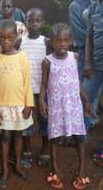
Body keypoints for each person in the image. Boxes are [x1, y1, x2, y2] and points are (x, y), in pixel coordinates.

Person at [39, 23, 92, 189]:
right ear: (52, 43)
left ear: (71, 41)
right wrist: (41, 101)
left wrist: (86, 101)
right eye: (57, 40)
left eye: (65, 40)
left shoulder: (74, 57)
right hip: (56, 107)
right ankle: (55, 171)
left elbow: (77, 82)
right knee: (54, 139)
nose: (61, 43)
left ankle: (81, 172)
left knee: (79, 138)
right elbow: (43, 84)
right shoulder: (47, 62)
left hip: (74, 107)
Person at [0, 19, 34, 188]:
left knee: (18, 135)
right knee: (5, 136)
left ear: (16, 37)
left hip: (20, 105)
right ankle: (5, 169)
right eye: (2, 38)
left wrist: (29, 104)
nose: (6, 41)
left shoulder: (22, 57)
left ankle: (17, 164)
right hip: (3, 106)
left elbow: (27, 82)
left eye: (10, 37)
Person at [19, 8, 50, 167]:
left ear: (42, 22)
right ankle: (27, 148)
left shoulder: (46, 42)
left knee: (44, 117)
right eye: (31, 20)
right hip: (25, 90)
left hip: (43, 89)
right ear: (26, 22)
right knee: (26, 118)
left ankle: (45, 147)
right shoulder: (20, 41)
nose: (34, 23)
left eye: (38, 20)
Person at [84, 0, 103, 166]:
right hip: (96, 66)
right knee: (83, 96)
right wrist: (88, 62)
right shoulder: (95, 7)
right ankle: (80, 135)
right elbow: (89, 36)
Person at [69, 0, 94, 80]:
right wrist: (96, 39)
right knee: (85, 83)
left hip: (97, 50)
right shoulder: (74, 6)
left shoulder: (95, 2)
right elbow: (79, 33)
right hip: (84, 51)